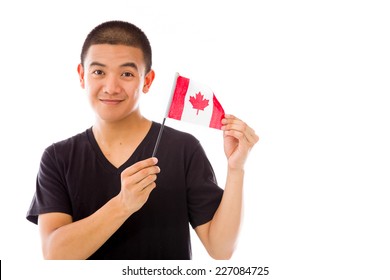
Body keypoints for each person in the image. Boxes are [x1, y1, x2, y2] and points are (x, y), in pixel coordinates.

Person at [26, 20, 259, 260]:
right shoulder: (57, 158)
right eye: (98, 72)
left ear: (147, 80)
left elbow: (221, 249)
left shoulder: (183, 148)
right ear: (82, 76)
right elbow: (54, 256)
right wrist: (123, 205)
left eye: (126, 73)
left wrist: (236, 169)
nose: (111, 87)